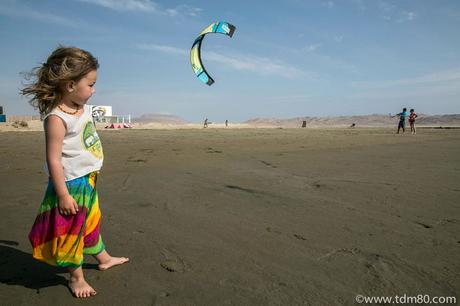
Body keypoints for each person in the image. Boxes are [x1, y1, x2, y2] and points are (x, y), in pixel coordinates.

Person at [21, 46, 129, 298]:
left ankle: (103, 258)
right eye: (90, 84)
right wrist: (62, 195)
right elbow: (54, 160)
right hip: (71, 185)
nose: (94, 90)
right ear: (70, 85)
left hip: (89, 180)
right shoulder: (57, 118)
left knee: (90, 222)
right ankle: (76, 277)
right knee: (71, 231)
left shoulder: (80, 109)